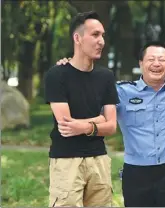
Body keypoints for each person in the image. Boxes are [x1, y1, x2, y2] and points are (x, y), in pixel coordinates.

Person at [56, 41, 165, 207]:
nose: (156, 64)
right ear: (141, 63)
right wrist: (71, 70)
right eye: (151, 59)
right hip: (136, 173)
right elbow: (91, 101)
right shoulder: (122, 92)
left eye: (162, 60)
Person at [44, 11, 119, 207]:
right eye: (95, 35)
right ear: (77, 38)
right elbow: (67, 126)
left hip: (99, 160)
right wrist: (99, 120)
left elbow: (112, 126)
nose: (101, 41)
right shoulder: (56, 75)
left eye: (102, 35)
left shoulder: (106, 77)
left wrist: (85, 126)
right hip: (66, 161)